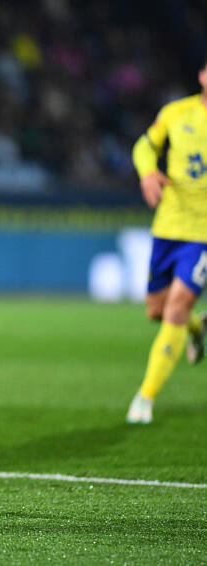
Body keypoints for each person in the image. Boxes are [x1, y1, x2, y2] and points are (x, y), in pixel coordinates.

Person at [126, 58, 207, 425]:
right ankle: (198, 328)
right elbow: (144, 147)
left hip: (202, 236)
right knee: (156, 311)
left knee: (176, 307)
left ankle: (145, 398)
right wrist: (148, 174)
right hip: (167, 227)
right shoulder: (176, 113)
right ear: (202, 76)